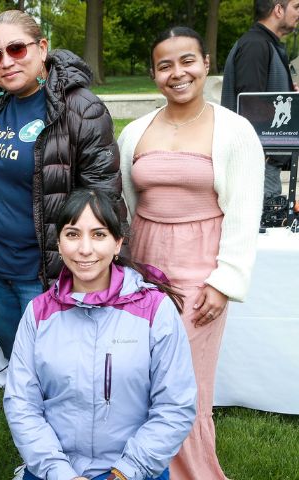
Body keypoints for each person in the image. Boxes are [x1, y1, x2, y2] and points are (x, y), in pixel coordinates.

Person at [119, 27, 264, 480]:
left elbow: (244, 213)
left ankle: (194, 473)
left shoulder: (234, 131)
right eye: (165, 65)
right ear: (153, 74)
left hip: (202, 267)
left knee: (183, 382)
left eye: (187, 61)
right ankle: (144, 468)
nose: (177, 73)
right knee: (141, 373)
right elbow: (124, 205)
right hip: (145, 265)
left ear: (206, 64)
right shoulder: (137, 131)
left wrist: (223, 282)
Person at [4, 189, 197, 480]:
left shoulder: (156, 310)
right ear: (58, 243)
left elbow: (175, 404)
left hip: (133, 471)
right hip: (54, 470)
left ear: (118, 243)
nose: (85, 249)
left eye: (98, 234)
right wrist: (60, 473)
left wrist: (124, 473)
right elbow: (22, 404)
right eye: (72, 234)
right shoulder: (38, 313)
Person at [0, 9, 126, 358]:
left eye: (16, 49)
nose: (6, 62)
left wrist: (96, 268)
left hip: (45, 274)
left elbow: (104, 198)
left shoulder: (81, 108)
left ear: (42, 47)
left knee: (59, 369)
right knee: (20, 365)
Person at [221, 0, 299, 198]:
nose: (298, 13)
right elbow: (249, 107)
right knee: (262, 225)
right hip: (257, 164)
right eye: (296, 7)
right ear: (278, 9)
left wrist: (289, 94)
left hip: (264, 162)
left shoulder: (263, 43)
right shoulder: (255, 46)